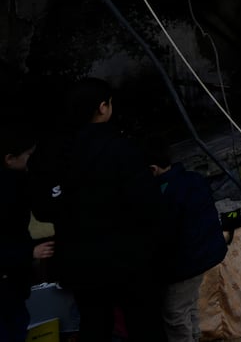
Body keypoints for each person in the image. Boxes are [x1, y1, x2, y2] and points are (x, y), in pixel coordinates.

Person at [30, 79, 167, 342]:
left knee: (94, 326)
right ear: (103, 108)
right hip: (128, 261)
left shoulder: (52, 155)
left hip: (81, 264)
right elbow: (149, 206)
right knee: (144, 325)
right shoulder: (121, 149)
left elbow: (44, 209)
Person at [149, 149, 227, 342]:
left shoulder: (166, 191)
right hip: (205, 253)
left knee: (175, 313)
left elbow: (167, 232)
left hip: (186, 260)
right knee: (188, 306)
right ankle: (193, 337)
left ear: (153, 169)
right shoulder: (193, 179)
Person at [2, 116, 53, 342]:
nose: (31, 161)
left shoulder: (16, 183)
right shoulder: (9, 190)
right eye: (28, 156)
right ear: (9, 159)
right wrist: (27, 252)